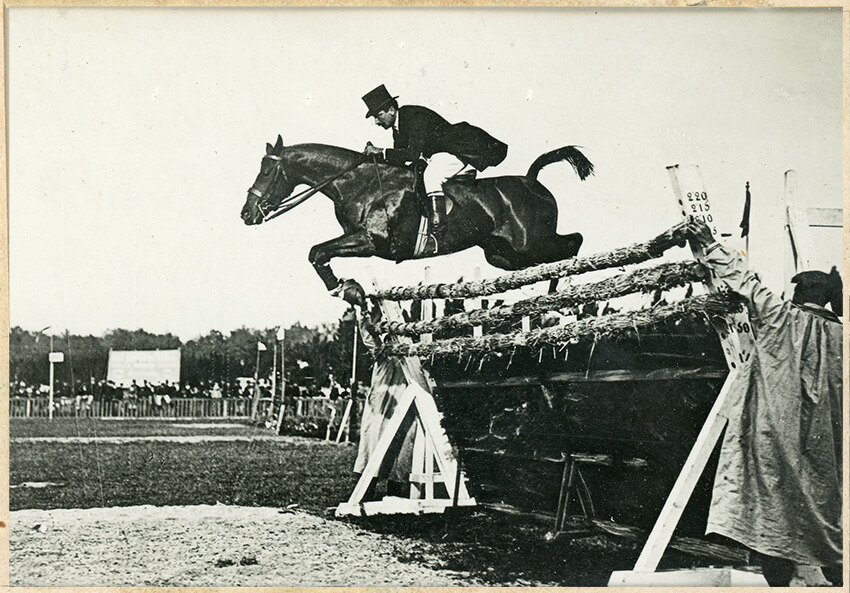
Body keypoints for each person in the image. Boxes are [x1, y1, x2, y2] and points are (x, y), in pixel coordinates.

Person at [687, 219, 842, 587]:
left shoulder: (779, 316)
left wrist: (710, 244)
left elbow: (746, 281)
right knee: (829, 516)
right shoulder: (841, 336)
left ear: (797, 294)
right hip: (826, 448)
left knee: (773, 514)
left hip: (774, 436)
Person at [361, 84, 508, 255]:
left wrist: (381, 152)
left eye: (379, 116)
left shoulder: (414, 116)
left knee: (432, 176)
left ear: (391, 110)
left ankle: (437, 233)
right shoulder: (397, 128)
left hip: (461, 149)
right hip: (440, 153)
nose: (377, 122)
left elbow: (412, 154)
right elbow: (401, 161)